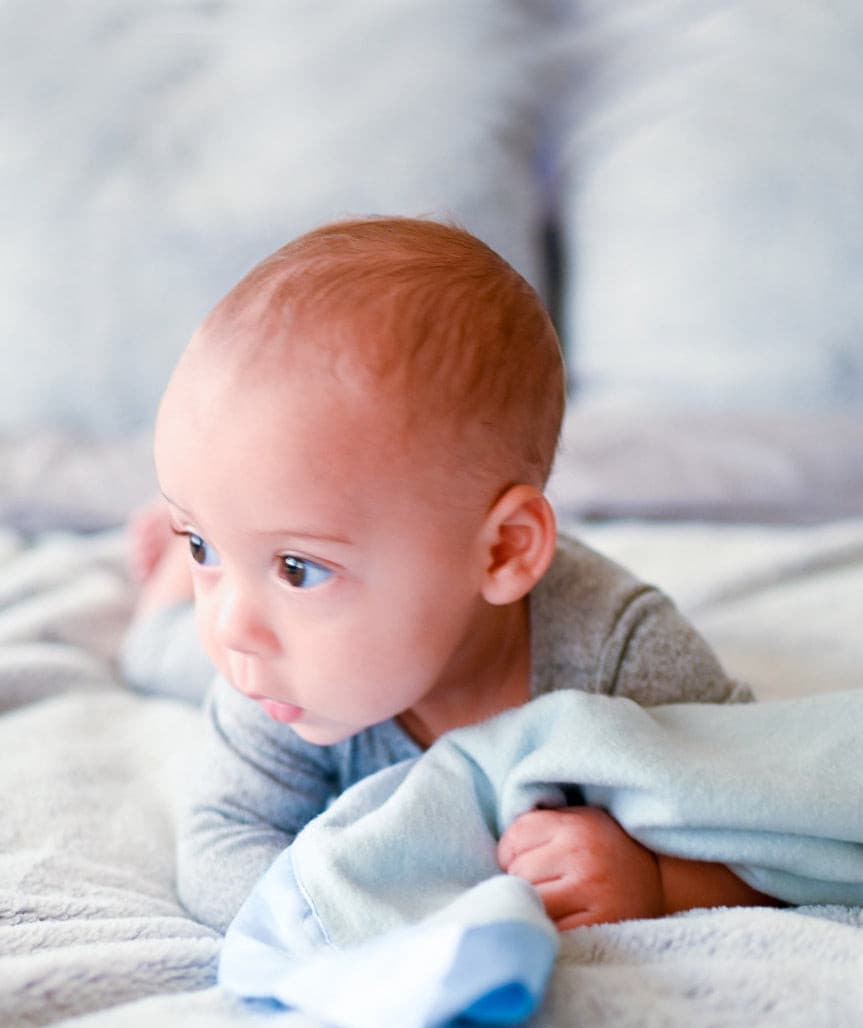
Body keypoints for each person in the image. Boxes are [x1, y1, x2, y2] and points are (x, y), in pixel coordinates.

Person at [123, 216, 777, 935]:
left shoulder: (621, 654)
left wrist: (658, 880)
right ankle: (166, 586)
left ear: (501, 553)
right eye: (202, 545)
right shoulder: (264, 674)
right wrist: (347, 923)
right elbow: (222, 840)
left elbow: (774, 826)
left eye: (298, 567)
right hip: (266, 686)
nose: (232, 627)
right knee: (169, 652)